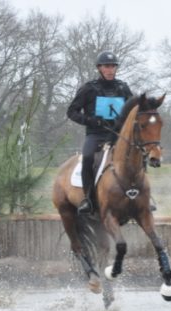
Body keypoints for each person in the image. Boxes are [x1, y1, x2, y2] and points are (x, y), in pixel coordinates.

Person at [67, 51, 133, 214]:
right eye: (107, 67)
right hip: (96, 134)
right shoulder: (89, 89)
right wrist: (89, 120)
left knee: (137, 155)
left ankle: (141, 197)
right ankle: (88, 199)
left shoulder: (123, 88)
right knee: (88, 157)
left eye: (113, 67)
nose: (110, 70)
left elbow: (133, 110)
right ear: (99, 68)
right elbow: (72, 112)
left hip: (118, 136)